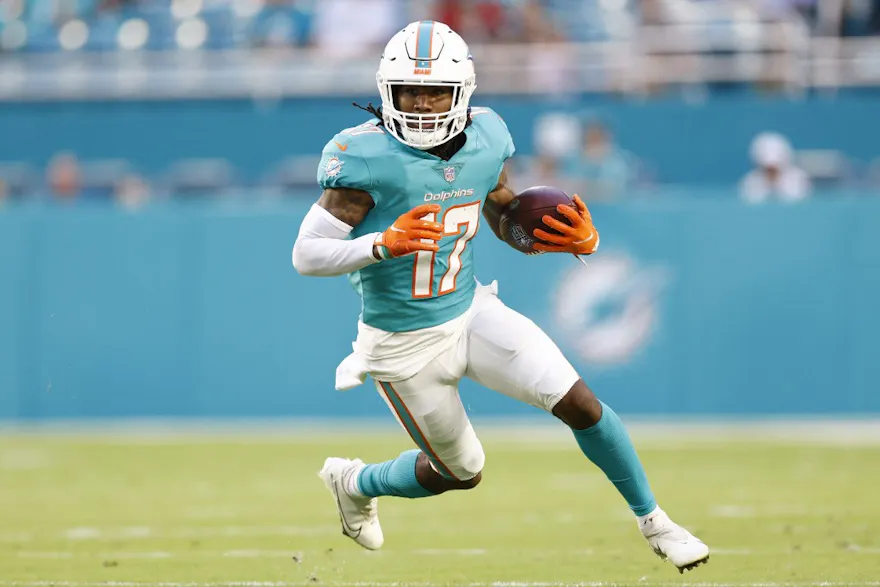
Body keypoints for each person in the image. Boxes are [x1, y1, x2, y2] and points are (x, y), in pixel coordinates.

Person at [291, 20, 710, 574]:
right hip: (402, 343)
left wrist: (560, 238)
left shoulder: (488, 136)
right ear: (386, 94)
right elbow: (307, 254)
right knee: (460, 472)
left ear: (461, 92)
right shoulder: (363, 156)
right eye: (410, 92)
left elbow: (502, 213)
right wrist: (381, 245)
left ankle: (656, 521)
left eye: (435, 91)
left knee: (579, 402)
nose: (421, 104)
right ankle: (354, 481)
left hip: (470, 312)